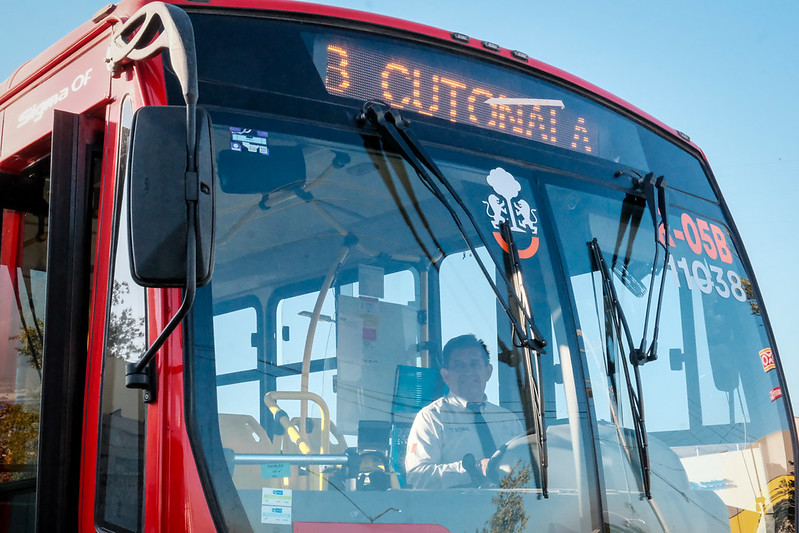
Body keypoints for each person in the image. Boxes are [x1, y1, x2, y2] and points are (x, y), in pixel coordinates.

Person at [404, 334, 523, 489]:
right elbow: (417, 477)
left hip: (508, 509)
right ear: (445, 375)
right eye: (459, 366)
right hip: (457, 511)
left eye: (474, 364)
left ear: (488, 372)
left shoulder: (509, 420)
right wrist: (472, 469)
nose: (468, 372)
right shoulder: (431, 417)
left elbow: (527, 471)